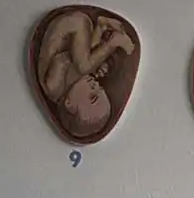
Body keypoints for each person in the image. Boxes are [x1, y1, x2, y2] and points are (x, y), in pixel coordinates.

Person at [36, 10, 136, 138]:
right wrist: (94, 63)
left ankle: (114, 42)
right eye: (100, 88)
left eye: (92, 96)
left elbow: (61, 60)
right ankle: (101, 27)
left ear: (69, 103)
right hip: (78, 29)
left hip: (69, 25)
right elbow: (80, 58)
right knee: (84, 65)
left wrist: (91, 64)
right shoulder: (71, 84)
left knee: (83, 66)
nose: (96, 85)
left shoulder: (53, 88)